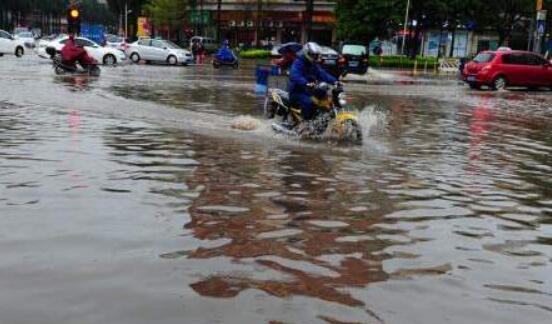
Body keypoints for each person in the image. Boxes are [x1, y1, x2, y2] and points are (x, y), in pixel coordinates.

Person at [288, 42, 337, 120]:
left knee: (325, 99)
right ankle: (304, 123)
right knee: (308, 103)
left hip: (309, 90)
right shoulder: (298, 62)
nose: (316, 57)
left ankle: (319, 120)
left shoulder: (313, 65)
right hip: (297, 91)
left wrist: (335, 81)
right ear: (308, 53)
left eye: (316, 55)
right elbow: (294, 75)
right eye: (314, 55)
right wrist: (305, 83)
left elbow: (322, 74)